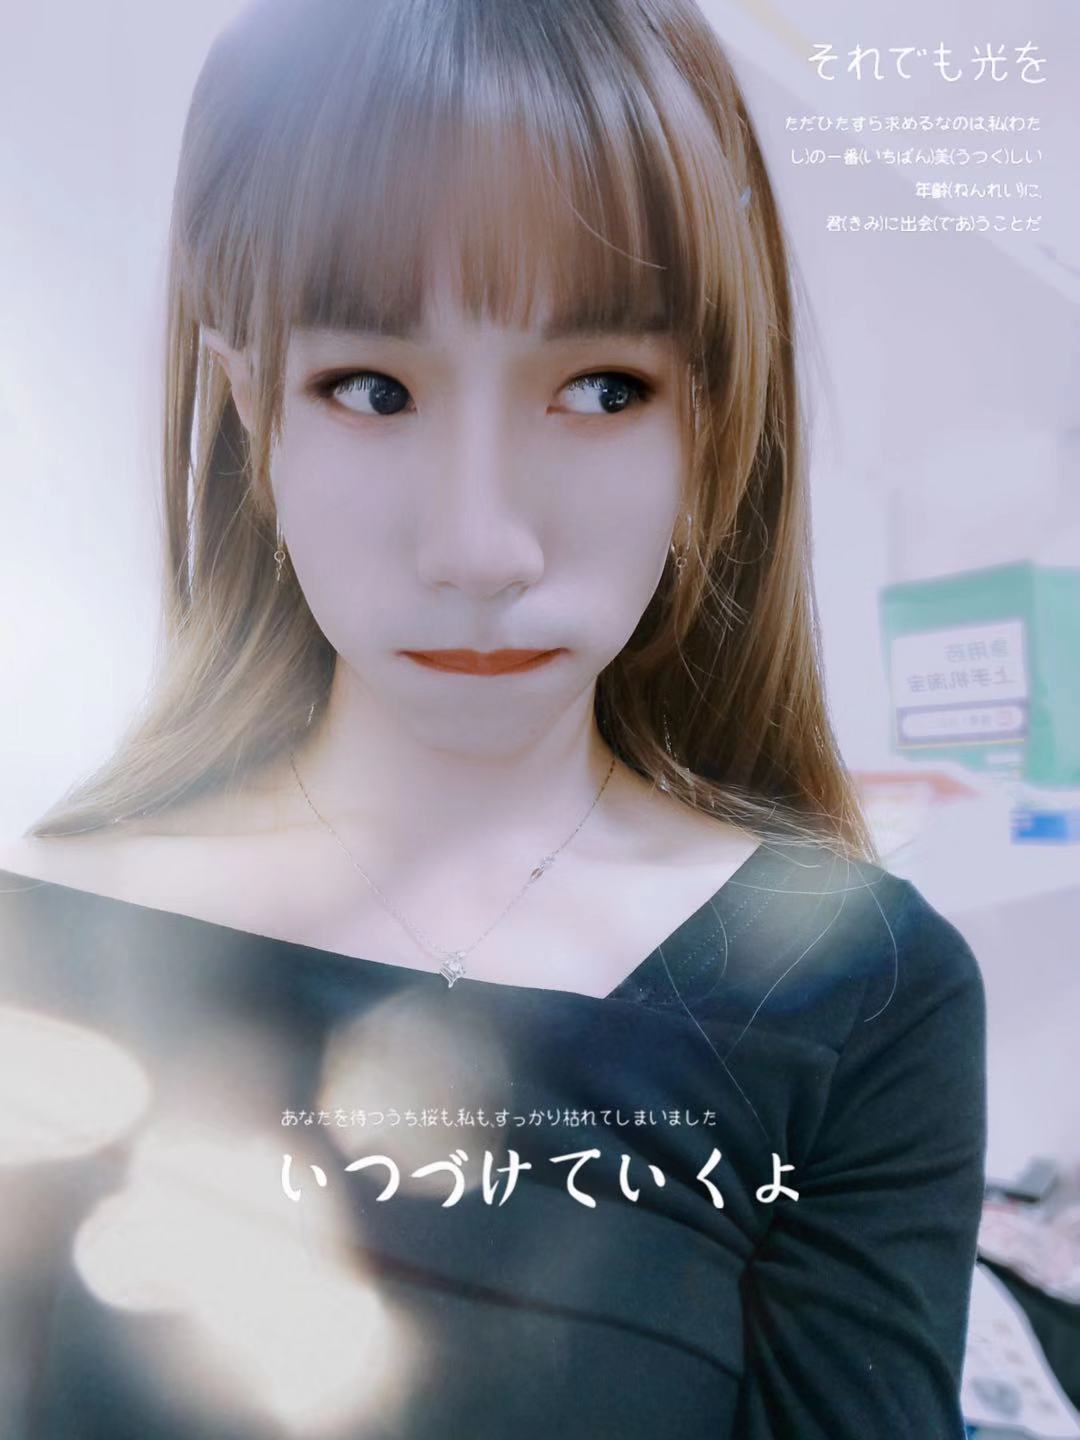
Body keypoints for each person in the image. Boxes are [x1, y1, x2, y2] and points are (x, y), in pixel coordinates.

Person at [0, 0, 987, 1435]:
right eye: (371, 387)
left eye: (600, 389)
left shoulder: (862, 998)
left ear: (708, 426)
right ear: (253, 413)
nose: (480, 546)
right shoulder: (37, 949)